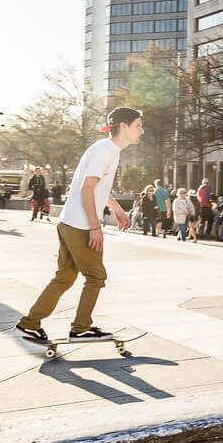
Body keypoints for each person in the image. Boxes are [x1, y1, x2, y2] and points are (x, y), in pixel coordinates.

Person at [15, 107, 142, 342]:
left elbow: (96, 188)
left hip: (70, 222)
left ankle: (30, 323)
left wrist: (116, 207)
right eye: (138, 125)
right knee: (96, 277)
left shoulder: (107, 150)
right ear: (123, 127)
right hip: (80, 225)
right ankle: (81, 327)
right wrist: (95, 226)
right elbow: (86, 188)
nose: (141, 131)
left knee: (65, 276)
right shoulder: (105, 150)